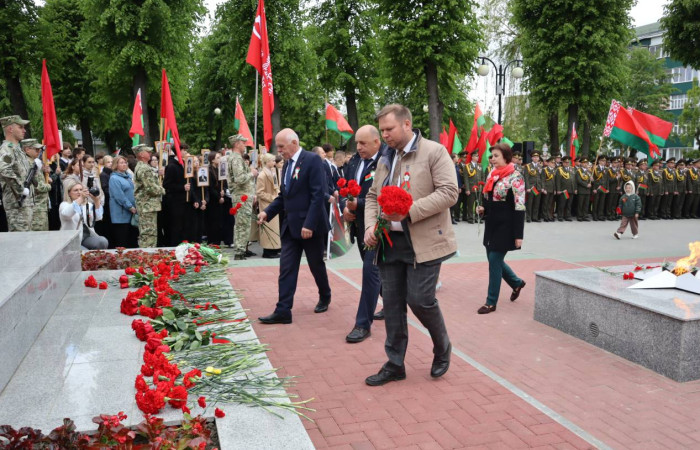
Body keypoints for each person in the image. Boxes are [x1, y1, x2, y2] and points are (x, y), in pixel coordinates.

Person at [363, 104, 456, 385]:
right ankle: (395, 364)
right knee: (392, 304)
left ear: (406, 124)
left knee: (420, 300)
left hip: (424, 241)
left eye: (389, 129)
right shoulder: (386, 157)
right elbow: (372, 196)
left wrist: (410, 211)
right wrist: (370, 225)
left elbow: (449, 192)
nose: (385, 135)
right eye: (382, 130)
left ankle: (442, 347)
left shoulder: (433, 152)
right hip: (389, 242)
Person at [257, 128, 332, 324]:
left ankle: (325, 295)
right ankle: (283, 310)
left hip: (310, 227)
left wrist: (309, 224)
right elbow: (284, 196)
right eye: (278, 147)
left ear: (294, 143)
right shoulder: (287, 165)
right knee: (287, 268)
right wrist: (267, 212)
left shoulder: (312, 160)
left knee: (316, 265)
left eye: (282, 146)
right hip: (290, 226)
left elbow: (317, 195)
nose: (279, 151)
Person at [341, 125, 384, 343]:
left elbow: (383, 197)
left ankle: (362, 324)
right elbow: (345, 191)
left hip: (378, 228)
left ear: (377, 142)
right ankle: (391, 302)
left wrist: (357, 204)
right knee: (376, 272)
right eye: (357, 143)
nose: (358, 147)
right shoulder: (355, 162)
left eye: (363, 143)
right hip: (359, 226)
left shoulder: (387, 161)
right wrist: (346, 207)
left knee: (370, 272)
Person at [475, 143, 526, 315]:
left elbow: (520, 206)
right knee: (493, 259)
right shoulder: (492, 173)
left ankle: (491, 302)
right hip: (491, 223)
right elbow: (489, 199)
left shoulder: (516, 177)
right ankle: (516, 283)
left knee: (494, 261)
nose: (492, 159)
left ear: (506, 157)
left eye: (496, 156)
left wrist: (518, 235)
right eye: (492, 156)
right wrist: (483, 209)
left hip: (507, 225)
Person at [0, 115, 35, 231]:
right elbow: (4, 170)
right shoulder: (7, 149)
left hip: (25, 203)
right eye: (20, 127)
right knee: (20, 239)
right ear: (10, 129)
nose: (24, 130)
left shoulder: (17, 149)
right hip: (16, 204)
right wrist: (21, 190)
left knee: (27, 237)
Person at [227, 134, 258, 259]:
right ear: (237, 144)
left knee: (243, 224)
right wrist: (252, 173)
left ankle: (241, 250)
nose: (245, 145)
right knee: (242, 224)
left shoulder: (236, 158)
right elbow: (240, 179)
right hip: (241, 196)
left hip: (243, 195)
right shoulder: (236, 159)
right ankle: (240, 251)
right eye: (243, 143)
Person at [60, 179, 108, 249]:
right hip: (71, 240)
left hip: (86, 237)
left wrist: (96, 201)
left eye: (81, 190)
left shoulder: (87, 205)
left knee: (103, 241)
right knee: (84, 252)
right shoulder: (64, 205)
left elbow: (98, 217)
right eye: (76, 190)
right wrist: (81, 198)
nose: (79, 192)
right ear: (69, 193)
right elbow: (67, 214)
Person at [133, 145, 166, 248]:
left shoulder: (143, 166)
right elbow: (151, 188)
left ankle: (147, 252)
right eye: (148, 152)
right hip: (147, 205)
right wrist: (163, 190)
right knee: (149, 233)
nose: (150, 154)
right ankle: (147, 253)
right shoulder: (144, 168)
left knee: (147, 232)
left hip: (146, 204)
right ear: (141, 154)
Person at [21, 139, 52, 231]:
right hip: (36, 207)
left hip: (40, 205)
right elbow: (37, 186)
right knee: (39, 234)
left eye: (40, 150)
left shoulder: (35, 162)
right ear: (27, 150)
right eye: (36, 150)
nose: (39, 152)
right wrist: (48, 185)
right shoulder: (29, 164)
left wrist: (44, 172)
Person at [255, 153, 281, 258]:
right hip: (266, 203)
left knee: (274, 227)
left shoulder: (272, 172)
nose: (274, 162)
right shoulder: (262, 175)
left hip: (273, 202)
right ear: (267, 162)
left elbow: (276, 186)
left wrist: (278, 195)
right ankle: (267, 251)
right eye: (273, 160)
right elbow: (259, 192)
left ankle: (274, 248)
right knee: (268, 226)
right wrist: (273, 197)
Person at [109, 155, 136, 248]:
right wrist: (130, 206)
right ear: (116, 165)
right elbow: (119, 196)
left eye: (125, 162)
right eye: (121, 163)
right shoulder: (114, 178)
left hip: (131, 213)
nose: (124, 164)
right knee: (122, 240)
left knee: (131, 239)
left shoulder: (128, 177)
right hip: (121, 214)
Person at [97, 155, 113, 245]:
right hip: (107, 202)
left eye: (111, 162)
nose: (110, 164)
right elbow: (105, 188)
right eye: (108, 162)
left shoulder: (112, 173)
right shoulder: (103, 175)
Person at [524, 150, 542, 223]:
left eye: (537, 157)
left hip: (538, 187)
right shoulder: (528, 166)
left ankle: (535, 217)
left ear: (538, 158)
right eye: (534, 157)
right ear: (532, 158)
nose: (535, 158)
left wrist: (542, 187)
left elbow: (541, 177)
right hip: (531, 187)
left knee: (536, 203)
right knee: (530, 203)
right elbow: (526, 177)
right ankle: (528, 217)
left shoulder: (540, 166)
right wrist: (528, 187)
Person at [555, 156, 575, 221]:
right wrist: (558, 190)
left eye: (568, 162)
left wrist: (575, 189)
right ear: (563, 163)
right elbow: (558, 180)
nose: (567, 163)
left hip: (571, 189)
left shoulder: (572, 169)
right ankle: (560, 216)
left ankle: (567, 216)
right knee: (562, 204)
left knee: (569, 204)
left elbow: (574, 180)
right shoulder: (560, 170)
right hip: (564, 190)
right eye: (565, 162)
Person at [539, 156, 556, 222]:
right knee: (545, 203)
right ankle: (545, 216)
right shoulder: (545, 170)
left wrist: (555, 189)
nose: (553, 164)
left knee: (550, 204)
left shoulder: (554, 170)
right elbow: (543, 180)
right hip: (546, 189)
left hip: (552, 189)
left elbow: (554, 181)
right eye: (552, 163)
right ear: (548, 163)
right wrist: (543, 188)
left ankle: (549, 215)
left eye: (554, 163)